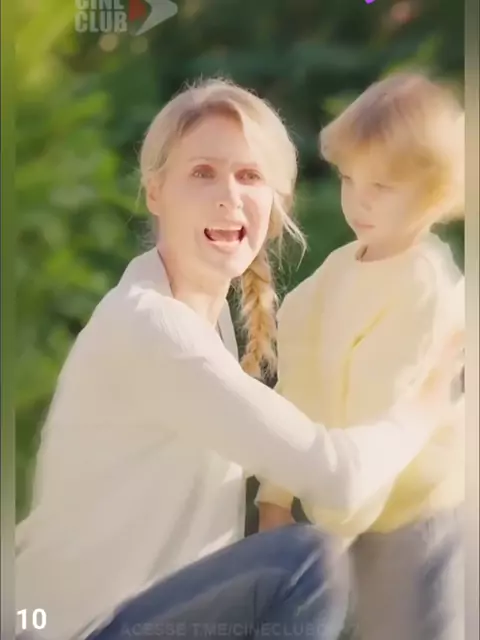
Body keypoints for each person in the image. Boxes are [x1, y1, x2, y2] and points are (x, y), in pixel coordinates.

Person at [15, 77, 462, 640]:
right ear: (155, 192)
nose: (228, 195)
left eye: (250, 175)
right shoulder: (152, 327)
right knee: (309, 562)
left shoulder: (208, 322)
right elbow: (339, 480)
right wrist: (426, 404)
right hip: (76, 630)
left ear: (274, 202)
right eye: (203, 173)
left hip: (147, 620)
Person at [256, 73, 465, 640]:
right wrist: (275, 496)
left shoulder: (424, 285)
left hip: (414, 515)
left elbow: (383, 413)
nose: (359, 200)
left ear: (434, 194)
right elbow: (298, 382)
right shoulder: (340, 269)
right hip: (345, 506)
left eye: (383, 186)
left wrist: (330, 537)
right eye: (349, 179)